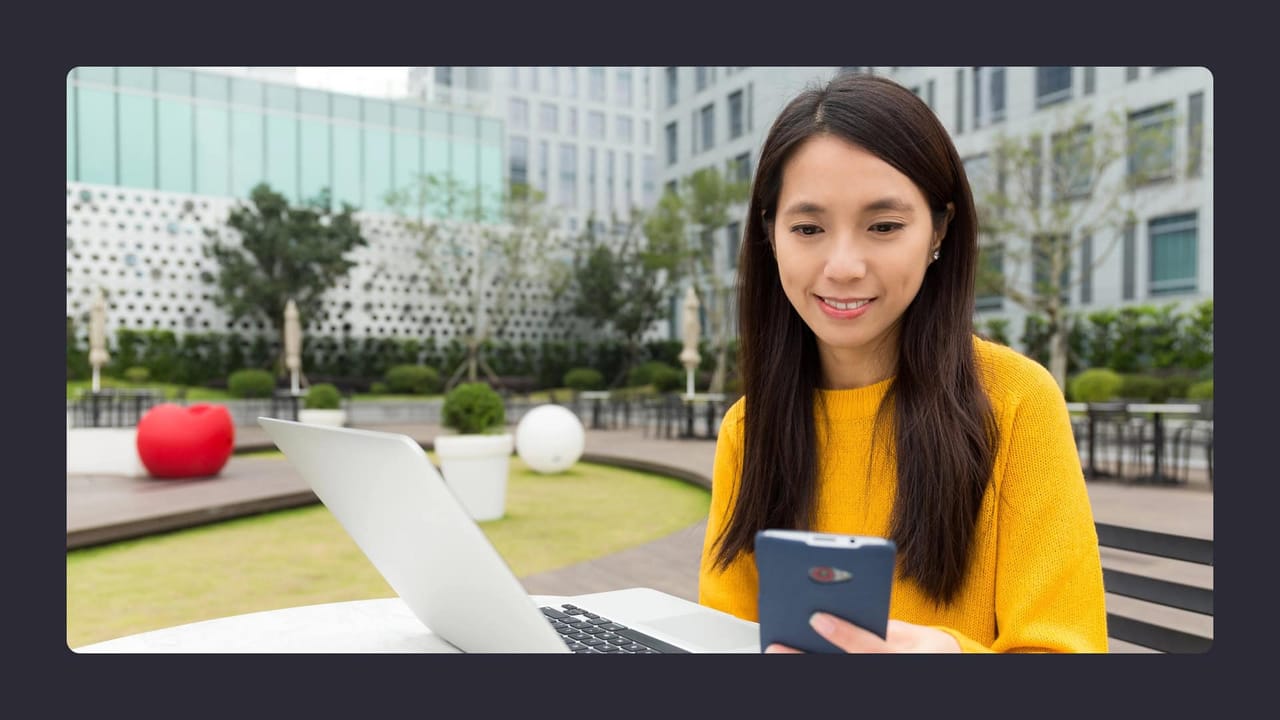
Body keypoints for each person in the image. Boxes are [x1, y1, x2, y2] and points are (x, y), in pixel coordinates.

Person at [698, 73, 1108, 653]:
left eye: (884, 227)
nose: (843, 266)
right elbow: (725, 640)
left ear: (939, 229)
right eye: (808, 228)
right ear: (771, 235)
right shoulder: (748, 427)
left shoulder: (1015, 401)